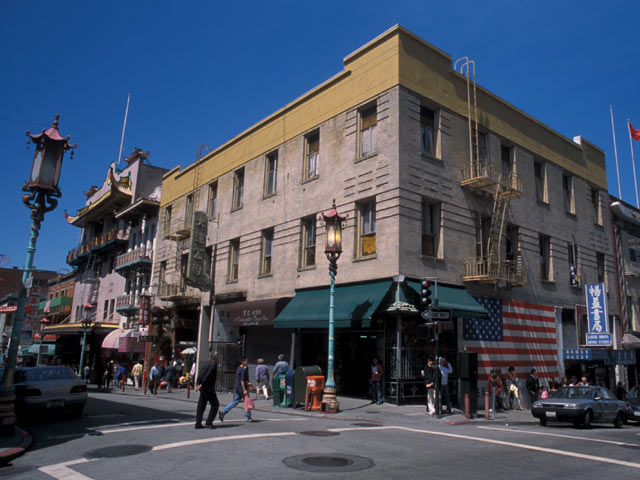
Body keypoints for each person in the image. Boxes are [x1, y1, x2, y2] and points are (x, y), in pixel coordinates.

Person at [219, 357, 253, 422]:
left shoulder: (239, 368)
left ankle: (224, 411)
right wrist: (244, 390)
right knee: (247, 401)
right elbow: (242, 381)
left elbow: (244, 378)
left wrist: (248, 383)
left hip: (237, 387)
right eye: (246, 361)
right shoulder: (242, 369)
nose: (247, 362)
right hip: (241, 387)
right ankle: (247, 416)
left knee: (235, 401)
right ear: (242, 362)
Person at [195, 352, 220, 429]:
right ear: (214, 357)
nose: (218, 357)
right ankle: (209, 422)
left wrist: (198, 384)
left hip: (202, 387)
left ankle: (198, 423)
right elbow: (207, 375)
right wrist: (202, 384)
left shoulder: (204, 363)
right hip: (208, 388)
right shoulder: (213, 365)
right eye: (217, 356)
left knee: (201, 405)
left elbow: (200, 374)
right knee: (215, 404)